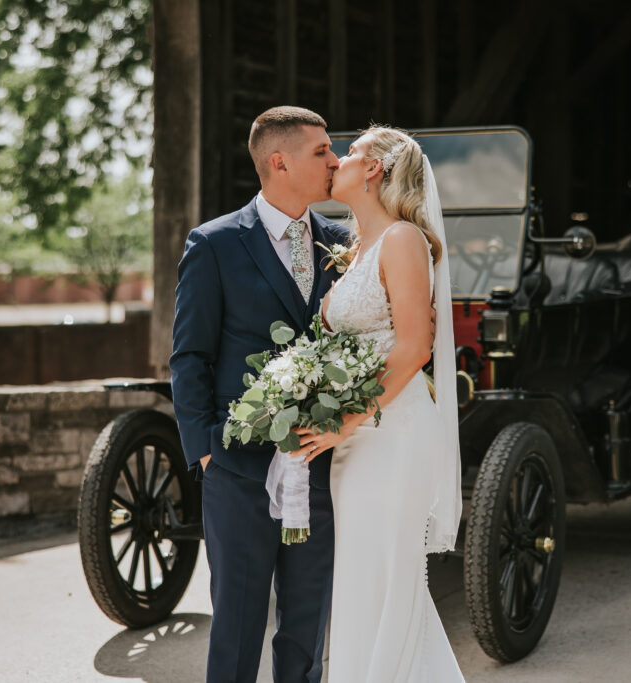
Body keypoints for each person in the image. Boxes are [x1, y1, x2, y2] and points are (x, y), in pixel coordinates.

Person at [170, 106, 350, 683]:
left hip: (320, 468)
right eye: (321, 151)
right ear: (280, 161)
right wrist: (206, 453)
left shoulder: (347, 246)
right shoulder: (216, 244)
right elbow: (189, 358)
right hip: (238, 474)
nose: (335, 160)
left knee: (305, 635)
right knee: (237, 631)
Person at [290, 126, 465, 681]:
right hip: (355, 440)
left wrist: (343, 421)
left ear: (374, 171)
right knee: (363, 580)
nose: (337, 160)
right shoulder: (355, 248)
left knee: (390, 579)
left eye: (351, 153)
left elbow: (414, 347)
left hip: (394, 434)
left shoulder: (403, 240)